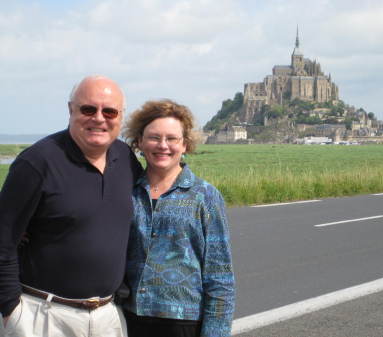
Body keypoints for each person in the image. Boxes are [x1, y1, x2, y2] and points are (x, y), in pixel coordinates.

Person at [0, 75, 142, 337]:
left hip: (107, 316)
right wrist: (11, 311)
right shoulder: (37, 162)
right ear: (70, 110)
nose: (99, 118)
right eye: (88, 109)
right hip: (44, 316)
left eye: (109, 111)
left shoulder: (125, 159)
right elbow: (3, 239)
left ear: (121, 116)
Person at [122, 99, 235, 337]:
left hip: (183, 325)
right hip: (128, 320)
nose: (163, 145)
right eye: (154, 137)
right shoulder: (126, 192)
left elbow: (220, 277)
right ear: (140, 142)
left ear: (184, 144)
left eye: (172, 138)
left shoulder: (205, 196)